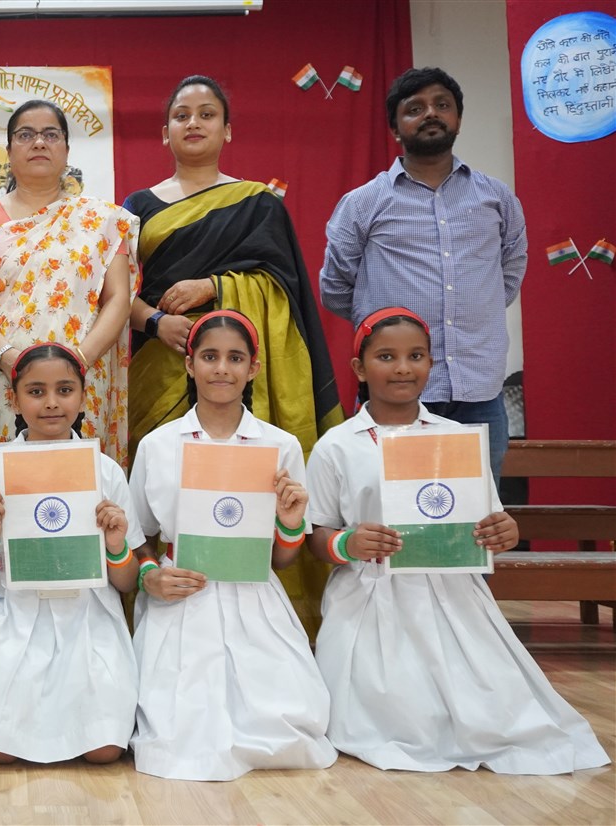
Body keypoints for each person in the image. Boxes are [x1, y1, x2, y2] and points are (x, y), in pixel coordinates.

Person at [305, 308, 608, 774]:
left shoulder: (457, 439)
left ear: (431, 364)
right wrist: (347, 544)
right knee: (382, 715)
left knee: (494, 707)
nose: (402, 368)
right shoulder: (337, 445)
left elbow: (488, 520)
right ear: (359, 368)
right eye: (386, 356)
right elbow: (317, 534)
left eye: (416, 356)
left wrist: (504, 531)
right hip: (370, 597)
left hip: (453, 594)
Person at [123, 74, 341, 631]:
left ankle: (259, 614)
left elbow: (286, 293)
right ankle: (152, 608)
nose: (193, 123)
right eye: (181, 115)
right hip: (158, 368)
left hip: (233, 371)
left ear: (227, 131)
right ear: (165, 132)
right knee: (160, 488)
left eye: (207, 114)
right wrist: (157, 322)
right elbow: (115, 295)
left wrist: (215, 287)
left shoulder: (257, 204)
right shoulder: (137, 208)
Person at [127, 311, 336, 781]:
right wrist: (150, 576)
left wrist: (289, 524)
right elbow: (140, 538)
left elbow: (282, 558)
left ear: (253, 367)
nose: (222, 368)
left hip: (253, 595)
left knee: (286, 724)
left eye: (235, 358)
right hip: (183, 595)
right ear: (189, 365)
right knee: (179, 729)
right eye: (210, 357)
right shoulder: (158, 445)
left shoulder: (279, 446)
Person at [321, 67, 528, 482]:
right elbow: (336, 288)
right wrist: (384, 327)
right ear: (395, 128)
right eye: (415, 108)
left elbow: (509, 272)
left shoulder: (496, 197)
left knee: (477, 511)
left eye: (442, 105)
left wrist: (475, 308)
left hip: (479, 392)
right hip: (395, 391)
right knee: (391, 508)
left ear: (458, 119)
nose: (431, 113)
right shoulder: (364, 203)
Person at [0, 343, 143, 764]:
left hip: (86, 610)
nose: (52, 403)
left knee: (105, 750)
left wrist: (116, 546)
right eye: (36, 391)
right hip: (11, 608)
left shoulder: (106, 471)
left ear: (84, 396)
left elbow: (127, 581)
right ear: (13, 399)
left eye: (65, 390)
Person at [0, 100, 139, 466]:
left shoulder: (102, 221)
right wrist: (9, 360)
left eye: (50, 135)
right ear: (9, 151)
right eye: (26, 135)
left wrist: (77, 364)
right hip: (4, 377)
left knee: (82, 480)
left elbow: (118, 299)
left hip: (81, 377)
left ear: (66, 149)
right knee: (7, 482)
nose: (39, 142)